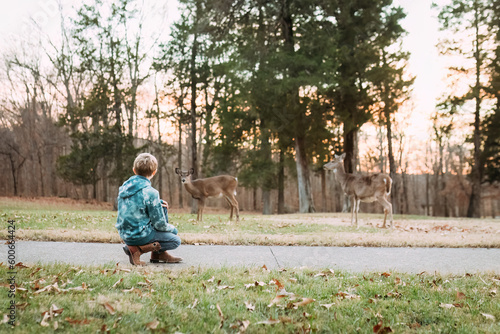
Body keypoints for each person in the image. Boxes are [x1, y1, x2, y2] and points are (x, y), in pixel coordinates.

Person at [116, 153, 182, 265]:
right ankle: (137, 250)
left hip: (125, 233)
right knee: (175, 240)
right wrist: (173, 229)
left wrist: (157, 203)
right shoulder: (151, 192)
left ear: (134, 170)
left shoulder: (124, 187)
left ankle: (159, 254)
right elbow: (159, 225)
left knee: (162, 207)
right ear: (154, 172)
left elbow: (136, 204)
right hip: (139, 235)